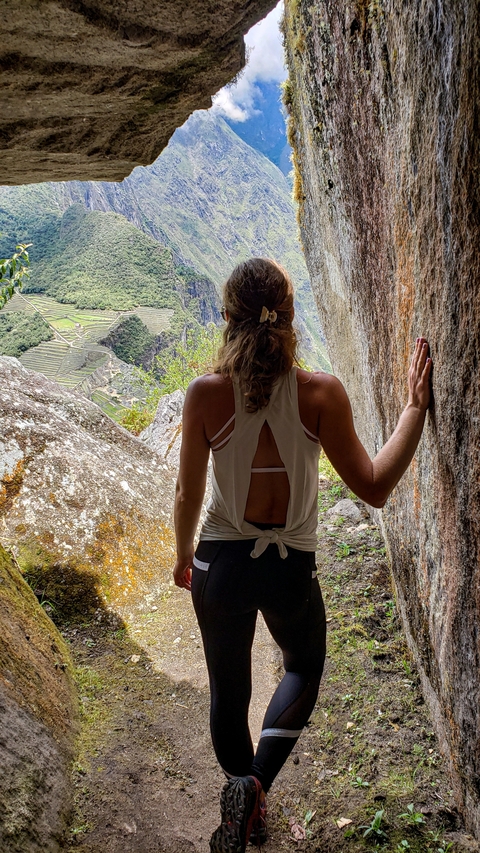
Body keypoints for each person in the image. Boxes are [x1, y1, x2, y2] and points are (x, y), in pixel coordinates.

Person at [173, 257, 432, 853]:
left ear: (228, 320)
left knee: (227, 693)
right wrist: (414, 411)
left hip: (221, 561)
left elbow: (188, 492)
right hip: (290, 564)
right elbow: (373, 485)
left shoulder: (206, 396)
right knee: (303, 667)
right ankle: (257, 787)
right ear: (289, 321)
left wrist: (184, 555)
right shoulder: (320, 394)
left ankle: (242, 789)